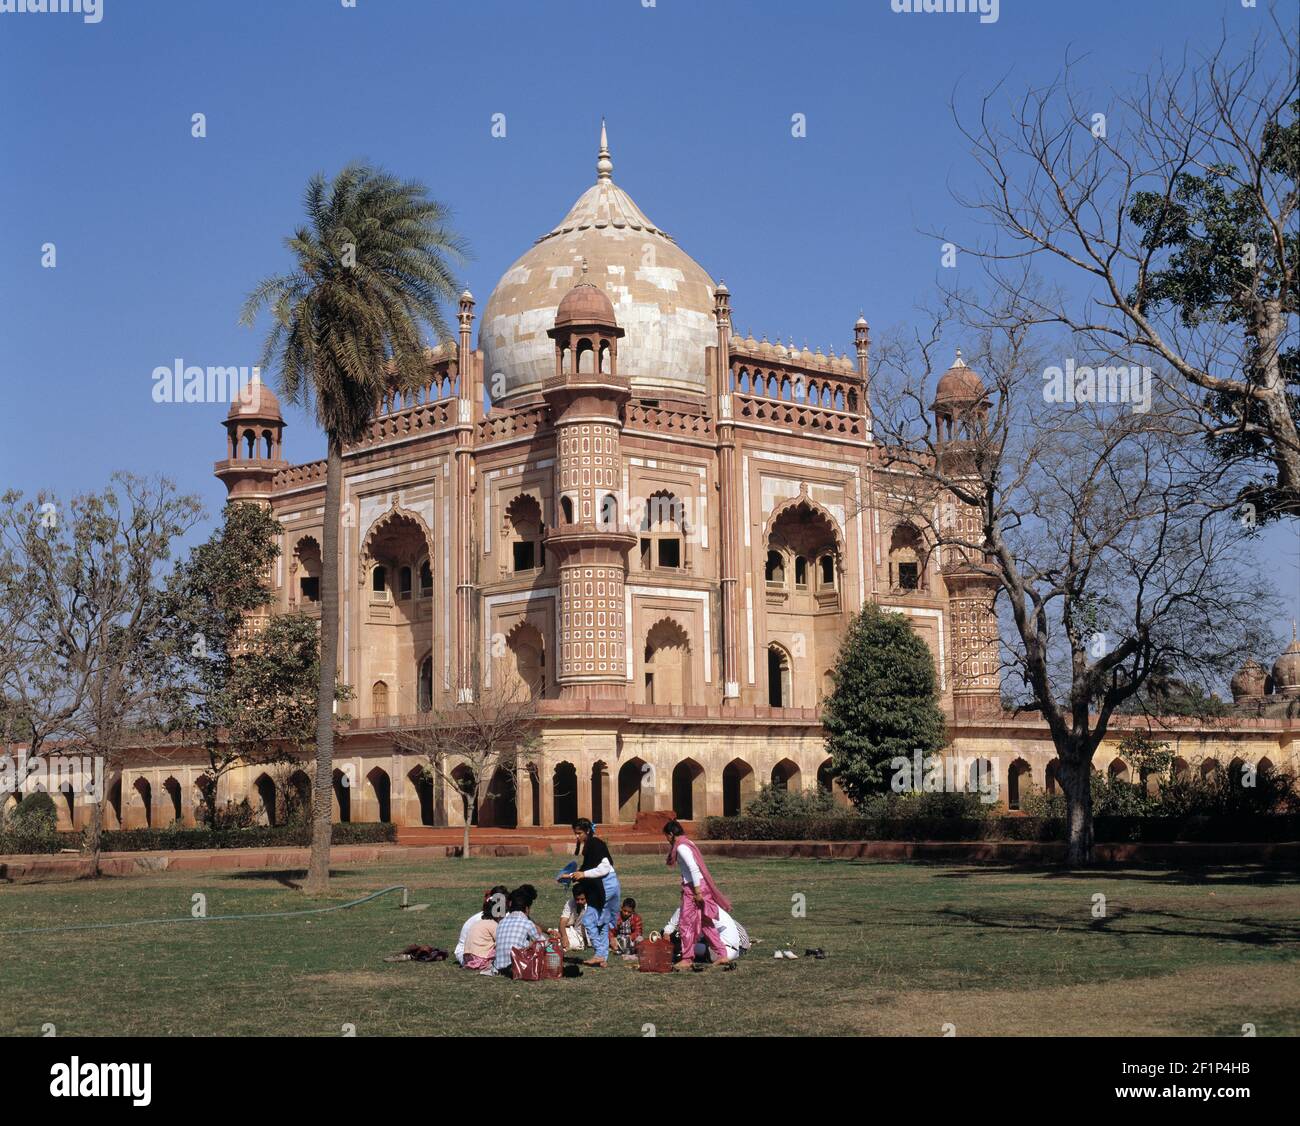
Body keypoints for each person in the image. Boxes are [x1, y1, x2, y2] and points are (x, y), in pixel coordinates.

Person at [664, 819, 730, 966]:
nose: (667, 840)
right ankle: (722, 954)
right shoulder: (688, 843)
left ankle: (687, 958)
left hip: (694, 888)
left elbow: (694, 868)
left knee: (686, 922)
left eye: (667, 837)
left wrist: (697, 892)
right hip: (700, 885)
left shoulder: (681, 847)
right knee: (706, 922)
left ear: (671, 834)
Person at [561, 818, 620, 967]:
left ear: (587, 831)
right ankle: (602, 957)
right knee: (603, 921)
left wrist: (583, 875)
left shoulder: (595, 844)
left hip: (606, 886)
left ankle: (600, 953)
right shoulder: (591, 845)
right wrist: (569, 877)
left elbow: (604, 868)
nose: (577, 836)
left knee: (589, 920)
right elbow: (586, 870)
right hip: (609, 885)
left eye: (579, 833)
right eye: (575, 833)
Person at [491, 884, 547, 977]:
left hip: (498, 967)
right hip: (517, 966)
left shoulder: (501, 922)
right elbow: (543, 943)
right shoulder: (527, 923)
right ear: (527, 908)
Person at [663, 903, 749, 962]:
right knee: (676, 938)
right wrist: (666, 933)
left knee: (684, 943)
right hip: (718, 943)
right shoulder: (685, 907)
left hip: (734, 946)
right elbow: (671, 925)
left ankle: (679, 952)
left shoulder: (708, 911)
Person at [455, 885, 508, 966]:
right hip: (475, 956)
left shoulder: (482, 919)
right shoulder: (491, 923)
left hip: (468, 957)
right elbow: (501, 941)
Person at [460, 897, 501, 971]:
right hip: (481, 957)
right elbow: (500, 941)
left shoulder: (477, 923)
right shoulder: (493, 924)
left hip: (468, 958)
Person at [559, 886, 589, 952]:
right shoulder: (571, 902)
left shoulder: (591, 906)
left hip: (581, 937)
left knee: (561, 945)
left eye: (582, 899)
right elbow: (563, 920)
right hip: (572, 930)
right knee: (556, 935)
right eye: (577, 899)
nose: (580, 901)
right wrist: (564, 937)